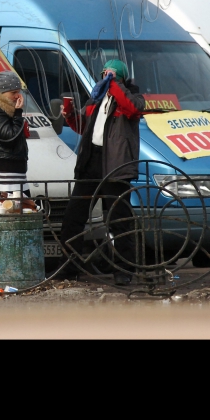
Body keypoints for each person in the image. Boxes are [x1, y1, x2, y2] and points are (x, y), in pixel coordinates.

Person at [57, 59, 145, 285]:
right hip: (91, 161)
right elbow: (83, 126)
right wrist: (69, 114)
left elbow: (132, 109)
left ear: (121, 77)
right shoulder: (95, 99)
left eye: (112, 73)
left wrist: (115, 84)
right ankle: (69, 268)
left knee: (118, 220)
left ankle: (124, 270)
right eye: (105, 73)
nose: (106, 76)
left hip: (115, 164)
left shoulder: (132, 97)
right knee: (73, 217)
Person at [0, 70, 30, 197]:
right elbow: (10, 137)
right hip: (4, 173)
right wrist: (18, 114)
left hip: (13, 170)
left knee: (24, 209)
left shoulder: (6, 110)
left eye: (18, 92)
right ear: (2, 93)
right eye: (13, 92)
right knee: (11, 210)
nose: (17, 96)